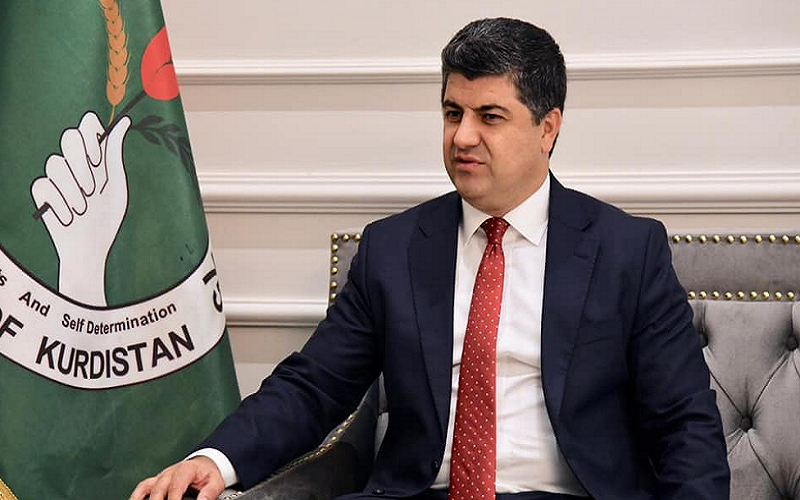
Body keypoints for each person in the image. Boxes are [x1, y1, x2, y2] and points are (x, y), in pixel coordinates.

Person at [130, 17, 730, 500]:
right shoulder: (392, 249)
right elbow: (314, 386)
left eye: (489, 117)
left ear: (547, 128)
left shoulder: (626, 250)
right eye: (452, 113)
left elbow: (684, 422)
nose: (462, 136)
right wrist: (215, 460)